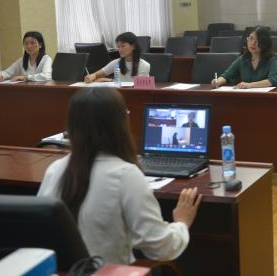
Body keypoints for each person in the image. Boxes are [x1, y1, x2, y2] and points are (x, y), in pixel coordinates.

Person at [37, 88, 201, 264]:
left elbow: (39, 231)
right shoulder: (126, 175)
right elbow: (161, 249)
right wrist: (181, 223)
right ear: (119, 124)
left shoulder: (55, 170)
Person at [211, 26, 277, 89]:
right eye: (251, 38)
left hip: (266, 96)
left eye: (257, 40)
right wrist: (218, 81)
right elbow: (227, 75)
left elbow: (273, 80)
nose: (253, 43)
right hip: (246, 95)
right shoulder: (242, 59)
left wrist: (249, 85)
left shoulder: (272, 59)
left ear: (265, 43)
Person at [84, 32, 150, 83]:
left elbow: (140, 89)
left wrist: (111, 81)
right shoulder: (116, 62)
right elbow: (97, 75)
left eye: (123, 46)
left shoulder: (144, 65)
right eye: (118, 47)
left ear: (133, 46)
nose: (120, 50)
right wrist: (91, 76)